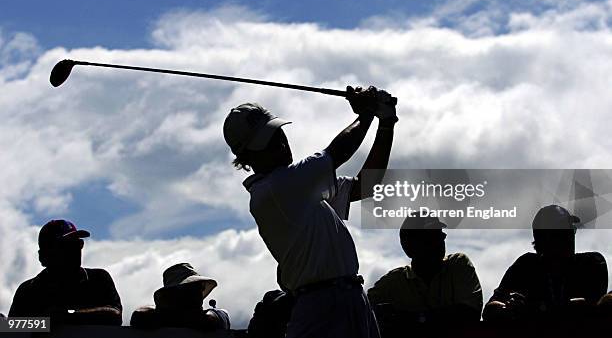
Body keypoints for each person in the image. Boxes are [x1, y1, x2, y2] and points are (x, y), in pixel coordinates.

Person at [223, 86, 397, 338]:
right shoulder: (275, 189)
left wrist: (386, 123)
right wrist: (367, 114)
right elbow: (338, 152)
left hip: (350, 298)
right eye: (268, 141)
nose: (280, 143)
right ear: (246, 156)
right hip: (321, 306)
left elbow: (367, 186)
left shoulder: (300, 188)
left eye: (278, 134)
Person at [483, 205, 608, 322]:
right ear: (542, 238)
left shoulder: (591, 263)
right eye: (562, 233)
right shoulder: (525, 266)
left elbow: (592, 306)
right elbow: (489, 310)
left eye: (571, 230)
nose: (570, 237)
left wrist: (530, 309)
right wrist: (508, 308)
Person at [368, 214, 482, 333]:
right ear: (409, 246)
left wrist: (410, 319)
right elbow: (364, 310)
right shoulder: (393, 283)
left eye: (440, 235)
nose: (439, 242)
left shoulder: (458, 265)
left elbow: (470, 314)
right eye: (429, 238)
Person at [9, 219, 122, 325]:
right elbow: (12, 329)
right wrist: (45, 324)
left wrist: (67, 315)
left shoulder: (99, 279)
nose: (75, 251)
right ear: (44, 256)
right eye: (65, 246)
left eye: (77, 244)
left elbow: (115, 315)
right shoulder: (28, 291)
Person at [130, 263, 230, 330]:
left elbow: (209, 320)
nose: (197, 292)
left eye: (199, 287)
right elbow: (139, 315)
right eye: (188, 289)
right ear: (172, 295)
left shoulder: (218, 315)